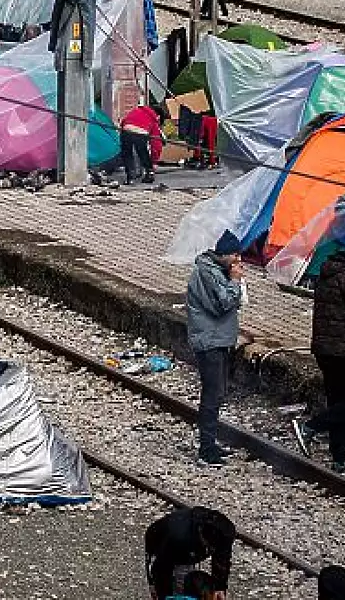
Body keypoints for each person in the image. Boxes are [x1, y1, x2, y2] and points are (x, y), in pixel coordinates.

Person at [295, 242, 345, 473]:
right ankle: (310, 427)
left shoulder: (327, 270)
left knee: (338, 401)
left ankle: (339, 458)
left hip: (324, 348)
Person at [187, 231, 246, 465]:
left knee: (217, 393)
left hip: (218, 339)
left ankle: (210, 442)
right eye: (234, 254)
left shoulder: (216, 271)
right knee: (212, 394)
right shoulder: (207, 273)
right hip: (209, 341)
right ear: (222, 255)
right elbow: (222, 304)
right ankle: (206, 448)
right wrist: (234, 282)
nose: (237, 259)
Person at [145, 505, 235, 600]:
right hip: (162, 543)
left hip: (188, 545)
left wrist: (220, 587)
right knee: (174, 586)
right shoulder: (178, 539)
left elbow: (223, 560)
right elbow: (160, 567)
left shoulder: (223, 533)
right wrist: (162, 594)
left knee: (192, 581)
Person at [119, 101, 163, 187]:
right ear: (158, 116)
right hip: (140, 133)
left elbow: (124, 121)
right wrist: (154, 161)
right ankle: (149, 174)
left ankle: (130, 177)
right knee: (143, 153)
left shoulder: (136, 110)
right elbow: (156, 143)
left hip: (126, 129)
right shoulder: (153, 119)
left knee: (127, 154)